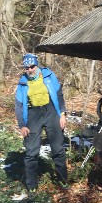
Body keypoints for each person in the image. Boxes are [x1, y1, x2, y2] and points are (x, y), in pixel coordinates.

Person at [15, 52, 68, 191]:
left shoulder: (49, 76)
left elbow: (59, 95)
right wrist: (22, 125)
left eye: (32, 66)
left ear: (36, 65)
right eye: (27, 68)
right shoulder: (22, 83)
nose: (30, 70)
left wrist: (62, 114)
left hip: (51, 111)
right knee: (31, 151)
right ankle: (32, 185)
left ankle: (62, 180)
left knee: (58, 148)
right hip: (33, 114)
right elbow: (19, 106)